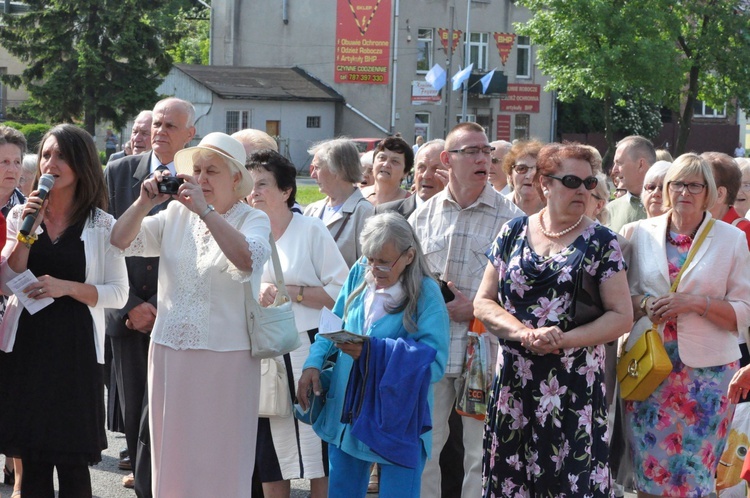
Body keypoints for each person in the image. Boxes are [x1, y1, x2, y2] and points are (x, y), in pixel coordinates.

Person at [110, 132, 270, 497]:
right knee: (173, 452)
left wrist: (207, 212)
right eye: (195, 170)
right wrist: (142, 202)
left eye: (211, 171)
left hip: (226, 356)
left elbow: (246, 259)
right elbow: (119, 240)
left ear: (235, 179)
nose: (200, 179)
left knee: (221, 453)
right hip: (169, 352)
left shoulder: (253, 219)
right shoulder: (174, 214)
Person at [474, 142, 632, 496]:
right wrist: (524, 334)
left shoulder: (602, 242)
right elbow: (483, 303)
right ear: (545, 183)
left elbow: (622, 317)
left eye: (589, 183)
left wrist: (562, 339)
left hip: (573, 387)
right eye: (572, 181)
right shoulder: (511, 232)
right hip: (515, 384)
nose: (582, 190)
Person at [0, 124, 128, 497]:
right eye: (45, 155)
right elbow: (8, 279)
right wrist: (28, 231)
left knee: (72, 464)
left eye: (60, 156)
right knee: (33, 458)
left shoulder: (102, 225)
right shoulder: (21, 216)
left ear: (81, 163)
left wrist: (66, 288)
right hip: (27, 345)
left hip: (76, 351)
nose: (50, 164)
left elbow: (118, 294)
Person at [297, 212, 449, 498]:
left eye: (383, 262)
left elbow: (436, 364)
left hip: (398, 418)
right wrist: (313, 363)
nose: (374, 268)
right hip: (349, 408)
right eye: (370, 259)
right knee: (342, 491)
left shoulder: (427, 293)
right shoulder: (360, 271)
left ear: (409, 256)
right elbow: (334, 323)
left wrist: (372, 353)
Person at [623, 153, 750, 497]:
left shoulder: (731, 239)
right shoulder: (637, 233)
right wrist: (648, 304)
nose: (685, 192)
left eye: (695, 185)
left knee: (695, 479)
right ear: (666, 188)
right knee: (649, 474)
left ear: (710, 192)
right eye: (678, 183)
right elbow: (622, 302)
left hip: (706, 378)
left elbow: (744, 310)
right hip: (649, 370)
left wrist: (694, 303)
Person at [410, 122, 522, 498]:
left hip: (485, 353)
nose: (482, 159)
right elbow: (406, 279)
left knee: (481, 453)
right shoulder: (422, 216)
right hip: (433, 348)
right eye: (471, 151)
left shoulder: (512, 220)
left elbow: (522, 293)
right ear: (447, 159)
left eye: (486, 151)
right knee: (425, 447)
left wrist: (473, 308)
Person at [104, 97, 196, 496]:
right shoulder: (118, 172)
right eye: (156, 124)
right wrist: (128, 308)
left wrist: (165, 307)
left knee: (176, 418)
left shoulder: (202, 176)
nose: (160, 131)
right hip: (128, 315)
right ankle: (145, 488)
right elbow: (104, 243)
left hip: (179, 315)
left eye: (170, 126)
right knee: (135, 418)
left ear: (190, 134)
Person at [247, 149, 348, 498]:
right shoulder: (245, 232)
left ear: (287, 190)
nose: (254, 191)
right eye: (249, 184)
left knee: (317, 440)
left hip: (309, 346)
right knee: (270, 445)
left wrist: (293, 291)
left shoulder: (311, 229)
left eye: (262, 184)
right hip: (263, 349)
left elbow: (342, 292)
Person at [0, 124, 25, 497]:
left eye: (17, 161)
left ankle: (19, 476)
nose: (11, 168)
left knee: (18, 395)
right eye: (3, 161)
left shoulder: (30, 207)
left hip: (18, 310)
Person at [304, 138, 374, 268]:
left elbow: (367, 267)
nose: (313, 175)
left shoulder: (364, 212)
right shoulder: (311, 210)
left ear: (337, 170)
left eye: (317, 168)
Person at [376, 139, 447, 218]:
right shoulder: (384, 214)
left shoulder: (459, 215)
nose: (426, 175)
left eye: (436, 169)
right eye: (421, 167)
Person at [607, 135, 656, 232]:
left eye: (619, 163)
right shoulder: (610, 211)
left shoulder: (670, 206)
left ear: (641, 164)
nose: (614, 170)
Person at [702, 151, 750, 246]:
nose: (686, 192)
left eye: (699, 185)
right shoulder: (694, 224)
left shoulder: (743, 231)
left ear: (720, 193)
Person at [362, 137, 414, 206]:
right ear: (373, 163)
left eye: (395, 161)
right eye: (382, 158)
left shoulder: (410, 205)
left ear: (405, 172)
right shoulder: (358, 196)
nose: (386, 164)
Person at [502, 139, 546, 215]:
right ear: (510, 175)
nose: (529, 176)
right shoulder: (499, 207)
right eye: (521, 169)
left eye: (537, 170)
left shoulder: (556, 211)